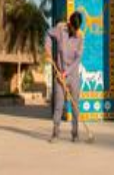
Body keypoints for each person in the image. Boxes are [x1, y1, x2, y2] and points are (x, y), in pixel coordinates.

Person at [45, 11, 84, 142]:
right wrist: (48, 50)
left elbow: (77, 60)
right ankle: (55, 133)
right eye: (73, 28)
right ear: (70, 24)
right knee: (59, 104)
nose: (75, 31)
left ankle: (75, 133)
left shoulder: (80, 37)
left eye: (77, 29)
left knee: (75, 105)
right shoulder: (61, 30)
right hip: (59, 73)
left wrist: (66, 73)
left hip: (72, 75)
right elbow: (48, 34)